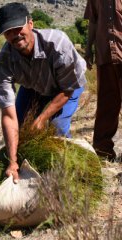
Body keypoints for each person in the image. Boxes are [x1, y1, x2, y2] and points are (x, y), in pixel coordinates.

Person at [0, 2, 86, 183]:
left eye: (18, 28)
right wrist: (12, 161)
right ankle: (25, 166)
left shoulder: (57, 44)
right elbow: (8, 116)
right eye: (8, 32)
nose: (15, 35)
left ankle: (69, 170)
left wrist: (42, 119)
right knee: (19, 126)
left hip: (66, 85)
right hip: (34, 86)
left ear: (30, 24)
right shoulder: (3, 63)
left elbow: (67, 89)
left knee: (56, 126)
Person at [84, 0, 122, 161]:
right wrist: (88, 48)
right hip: (105, 54)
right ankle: (102, 152)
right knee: (106, 105)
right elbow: (93, 21)